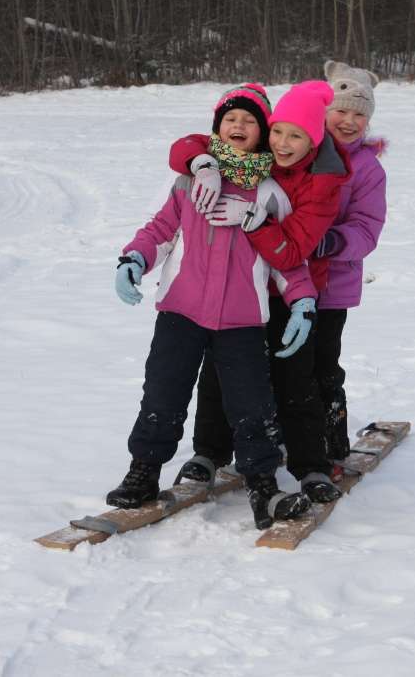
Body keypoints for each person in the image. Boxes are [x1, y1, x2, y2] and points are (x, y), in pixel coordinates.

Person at [106, 83, 316, 530]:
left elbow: (285, 258)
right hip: (180, 311)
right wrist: (134, 259)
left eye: (249, 120)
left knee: (251, 406)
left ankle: (263, 485)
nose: (238, 125)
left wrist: (302, 303)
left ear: (263, 132)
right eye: (229, 119)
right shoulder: (188, 180)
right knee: (163, 392)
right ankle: (143, 471)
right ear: (217, 128)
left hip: (242, 321)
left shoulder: (271, 194)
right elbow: (160, 230)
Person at [170, 81, 350, 503]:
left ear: (314, 138)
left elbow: (296, 250)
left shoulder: (323, 181)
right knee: (219, 373)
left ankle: (310, 464)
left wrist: (254, 221)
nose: (284, 144)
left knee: (294, 378)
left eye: (296, 135)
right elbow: (190, 144)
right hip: (238, 288)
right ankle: (209, 453)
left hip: (291, 292)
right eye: (278, 131)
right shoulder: (253, 155)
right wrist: (201, 163)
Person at [314, 60, 388, 461]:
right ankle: (288, 437)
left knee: (324, 366)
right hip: (286, 282)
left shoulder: (367, 169)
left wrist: (332, 242)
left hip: (332, 287)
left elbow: (367, 227)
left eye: (359, 114)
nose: (349, 120)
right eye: (341, 110)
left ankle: (332, 445)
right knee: (282, 366)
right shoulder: (299, 149)